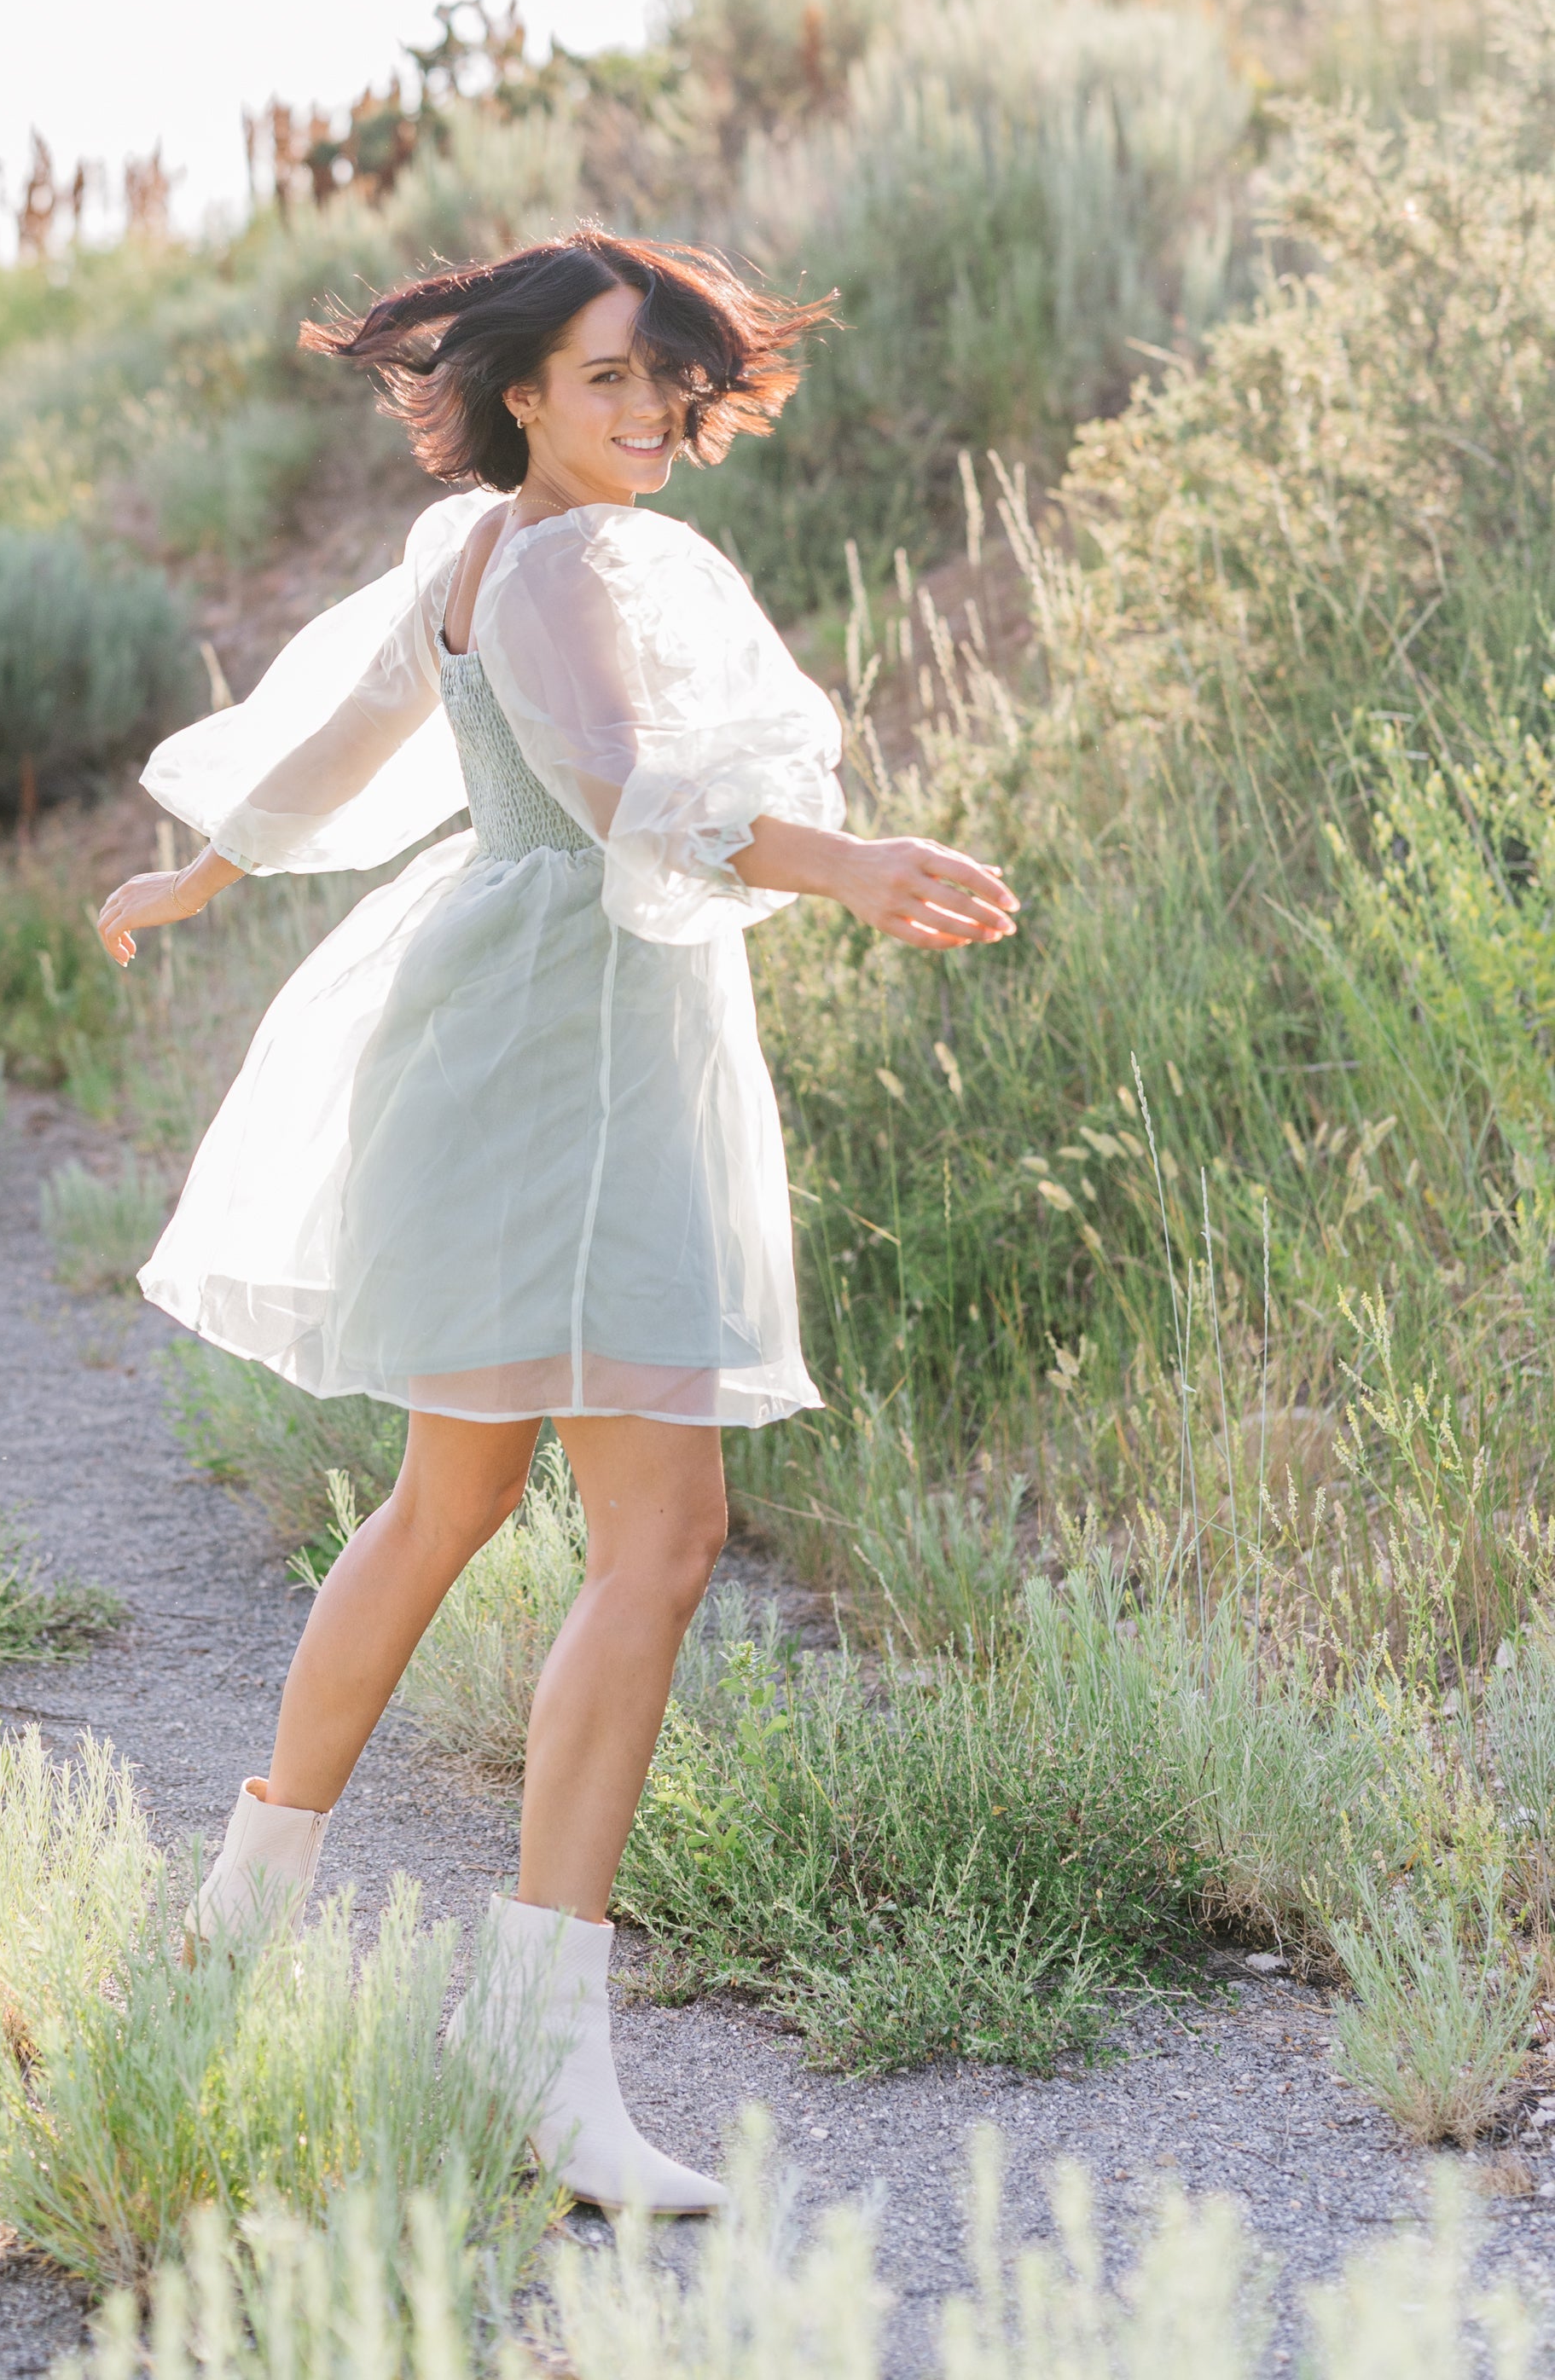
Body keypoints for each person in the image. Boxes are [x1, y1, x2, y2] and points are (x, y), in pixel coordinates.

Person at [94, 229, 1018, 2212]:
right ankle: (538, 2064)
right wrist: (852, 859)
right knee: (654, 1538)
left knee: (446, 1501)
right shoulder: (564, 565)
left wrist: (199, 874)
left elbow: (347, 739)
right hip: (573, 1066)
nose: (650, 407)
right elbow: (617, 797)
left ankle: (233, 1927)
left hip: (506, 1039)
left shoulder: (475, 553)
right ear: (517, 391)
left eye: (666, 375)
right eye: (606, 374)